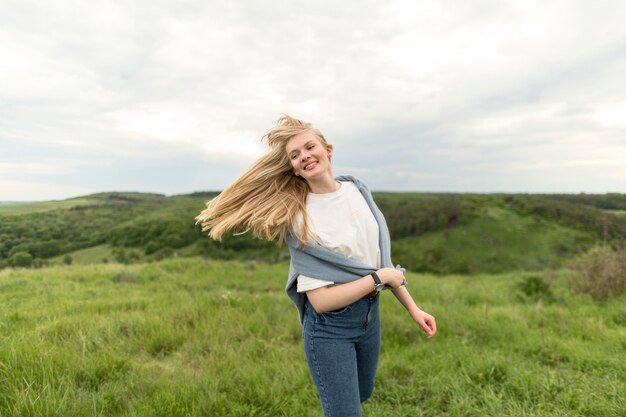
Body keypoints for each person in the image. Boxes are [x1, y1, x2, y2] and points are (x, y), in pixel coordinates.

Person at [196, 114, 437, 417]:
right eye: (295, 156)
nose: (304, 156)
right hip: (329, 330)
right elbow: (321, 301)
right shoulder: (301, 219)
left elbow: (382, 264)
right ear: (293, 169)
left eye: (309, 147)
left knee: (363, 392)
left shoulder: (357, 189)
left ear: (328, 150)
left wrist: (414, 309)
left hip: (369, 318)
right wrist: (379, 278)